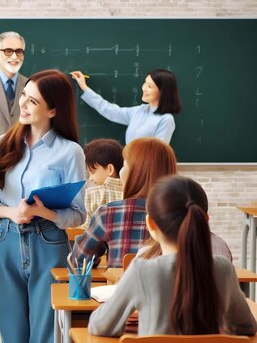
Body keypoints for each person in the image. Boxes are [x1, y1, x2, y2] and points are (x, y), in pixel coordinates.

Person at [0, 69, 86, 342]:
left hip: (49, 244)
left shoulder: (69, 152)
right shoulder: (4, 143)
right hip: (6, 242)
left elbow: (78, 215)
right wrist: (11, 212)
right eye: (24, 97)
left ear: (53, 111)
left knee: (45, 335)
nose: (23, 106)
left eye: (33, 102)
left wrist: (43, 212)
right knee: (12, 335)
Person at [88, 175, 257, 337]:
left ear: (151, 224)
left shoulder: (142, 271)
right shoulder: (223, 269)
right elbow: (246, 326)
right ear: (205, 220)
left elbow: (100, 326)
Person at [72, 137, 177, 267]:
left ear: (135, 173)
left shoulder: (108, 213)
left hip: (122, 286)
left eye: (124, 164)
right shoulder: (181, 214)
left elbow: (78, 260)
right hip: (168, 287)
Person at [71, 69, 182, 144]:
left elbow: (159, 153)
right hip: (129, 167)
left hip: (147, 173)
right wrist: (84, 87)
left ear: (162, 91)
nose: (144, 88)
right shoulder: (140, 110)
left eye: (150, 86)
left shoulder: (166, 119)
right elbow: (109, 110)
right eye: (145, 83)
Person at [82, 138, 124, 228]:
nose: (90, 178)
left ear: (110, 169)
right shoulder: (133, 192)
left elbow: (85, 228)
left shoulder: (93, 194)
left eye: (92, 172)